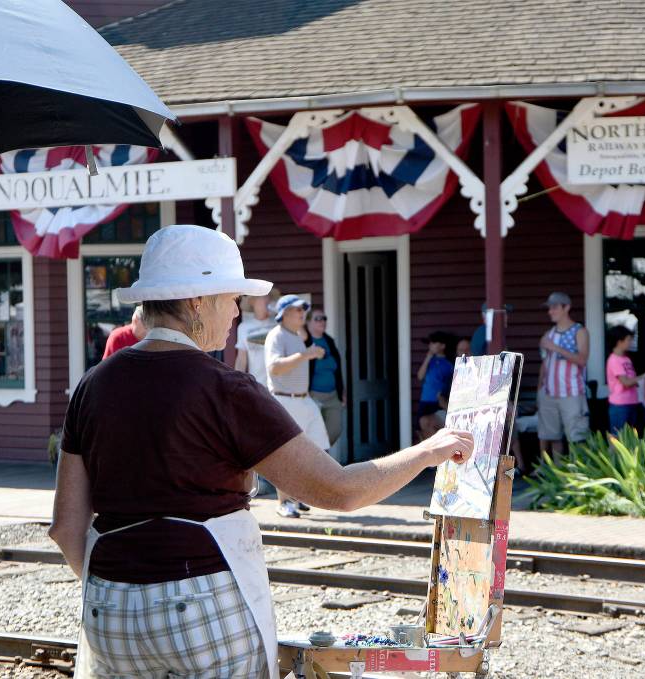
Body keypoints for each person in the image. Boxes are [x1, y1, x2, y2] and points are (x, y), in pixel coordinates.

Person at [49, 224, 472, 679]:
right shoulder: (224, 388)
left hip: (107, 610)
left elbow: (65, 526)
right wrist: (429, 451)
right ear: (196, 302)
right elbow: (339, 491)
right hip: (202, 608)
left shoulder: (93, 385)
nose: (237, 313)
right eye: (232, 298)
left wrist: (122, 589)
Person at [265, 294, 331, 519]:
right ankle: (283, 502)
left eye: (303, 309)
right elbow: (274, 368)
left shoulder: (297, 335)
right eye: (296, 310)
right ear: (284, 314)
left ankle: (297, 496)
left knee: (316, 450)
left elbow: (306, 355)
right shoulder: (277, 335)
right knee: (287, 455)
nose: (302, 313)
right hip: (285, 400)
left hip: (304, 400)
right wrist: (305, 355)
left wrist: (312, 353)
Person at [538, 291, 590, 458]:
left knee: (577, 438)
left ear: (566, 307)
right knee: (553, 437)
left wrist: (556, 348)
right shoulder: (549, 334)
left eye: (554, 308)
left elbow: (582, 359)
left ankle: (579, 476)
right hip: (549, 394)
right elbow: (545, 363)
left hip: (572, 394)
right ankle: (557, 478)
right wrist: (540, 389)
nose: (550, 312)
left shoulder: (579, 331)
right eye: (549, 308)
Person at [305, 308, 345, 452]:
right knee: (316, 433)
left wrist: (342, 392)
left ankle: (318, 457)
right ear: (308, 322)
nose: (322, 321)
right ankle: (320, 465)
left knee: (335, 429)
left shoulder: (329, 341)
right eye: (317, 318)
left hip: (333, 395)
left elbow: (337, 369)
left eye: (324, 318)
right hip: (313, 396)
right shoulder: (305, 342)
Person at [234, 290, 279, 386]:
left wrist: (280, 314)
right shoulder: (243, 327)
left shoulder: (278, 324)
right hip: (257, 384)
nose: (267, 300)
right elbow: (241, 359)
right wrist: (237, 382)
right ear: (252, 302)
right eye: (263, 297)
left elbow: (302, 336)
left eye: (269, 297)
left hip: (279, 387)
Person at [417, 331, 455, 439]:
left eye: (434, 343)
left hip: (436, 401)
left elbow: (450, 382)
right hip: (425, 400)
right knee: (420, 430)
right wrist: (428, 357)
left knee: (431, 426)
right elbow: (420, 376)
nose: (430, 345)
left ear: (442, 346)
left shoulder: (448, 364)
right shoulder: (430, 361)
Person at [606, 326, 642, 435]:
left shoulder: (626, 359)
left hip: (632, 402)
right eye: (628, 340)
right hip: (620, 405)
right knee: (618, 436)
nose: (630, 342)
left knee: (631, 436)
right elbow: (626, 382)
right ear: (619, 341)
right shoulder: (614, 359)